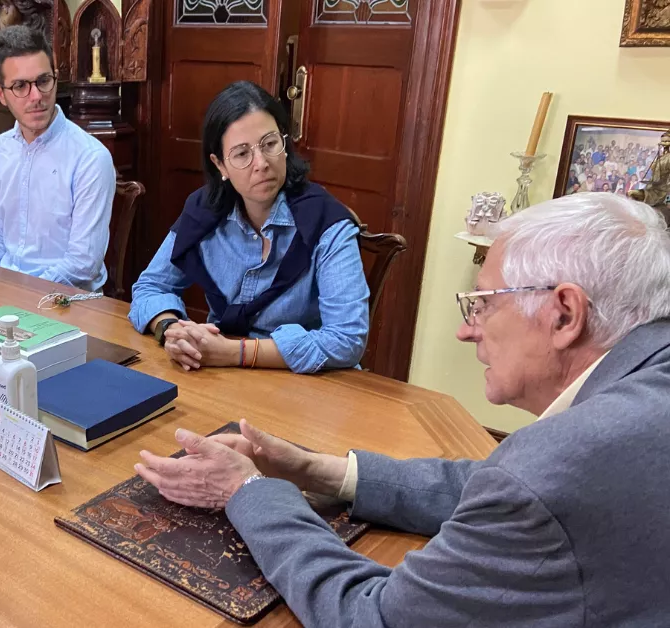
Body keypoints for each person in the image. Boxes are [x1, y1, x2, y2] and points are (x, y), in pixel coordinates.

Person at [134, 192, 670, 626]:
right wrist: (315, 468)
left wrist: (245, 490)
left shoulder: (557, 465)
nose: (467, 329)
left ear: (564, 314)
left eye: (483, 303)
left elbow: (374, 616)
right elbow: (500, 480)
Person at [128, 81, 368, 374]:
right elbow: (151, 286)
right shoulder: (204, 211)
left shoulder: (326, 221)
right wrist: (173, 332)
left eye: (269, 144)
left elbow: (346, 340)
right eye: (242, 154)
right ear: (220, 166)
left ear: (284, 144)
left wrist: (236, 352)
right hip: (224, 377)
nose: (261, 163)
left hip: (310, 385)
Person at [0, 25, 117, 292]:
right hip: (7, 296)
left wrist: (21, 293)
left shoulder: (91, 158)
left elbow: (82, 264)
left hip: (67, 302)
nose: (36, 96)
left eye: (43, 81)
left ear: (55, 78)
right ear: (0, 93)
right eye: (20, 86)